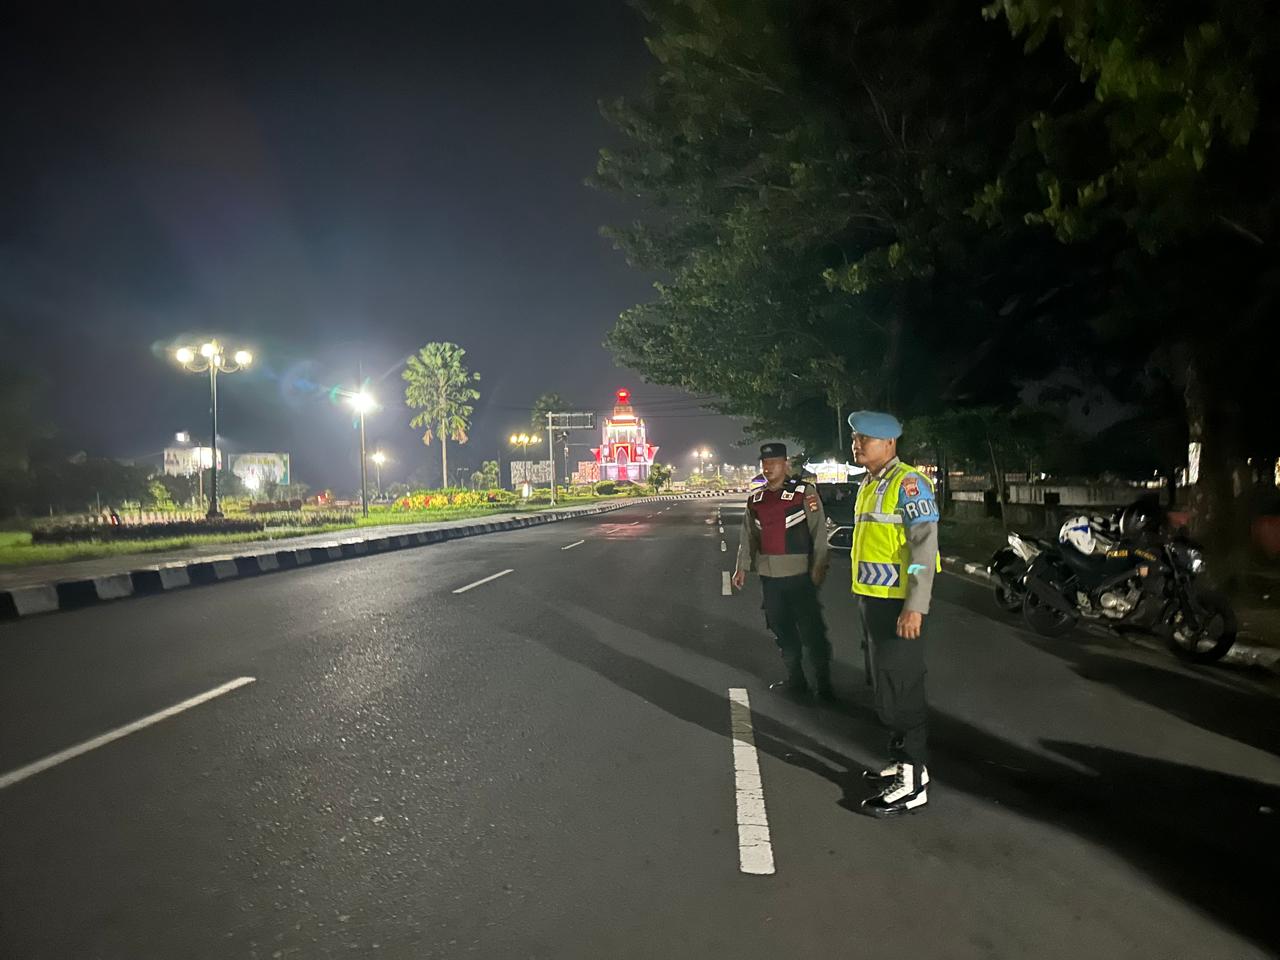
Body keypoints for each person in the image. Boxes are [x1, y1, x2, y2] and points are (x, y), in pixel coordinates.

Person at [847, 411, 941, 817]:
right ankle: (902, 762)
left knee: (903, 689)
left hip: (899, 604)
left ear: (889, 443)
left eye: (864, 439)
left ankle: (913, 782)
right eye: (855, 438)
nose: (856, 445)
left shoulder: (908, 484)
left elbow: (924, 548)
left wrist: (915, 606)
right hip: (874, 600)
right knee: (884, 685)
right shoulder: (870, 484)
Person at [732, 442, 834, 700]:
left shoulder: (803, 492)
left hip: (800, 577)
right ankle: (796, 680)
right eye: (764, 463)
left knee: (812, 631)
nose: (768, 468)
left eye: (773, 463)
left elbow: (818, 532)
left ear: (785, 463)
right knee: (782, 629)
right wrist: (741, 567)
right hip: (770, 578)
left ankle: (824, 685)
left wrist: (819, 567)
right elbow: (748, 536)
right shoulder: (757, 499)